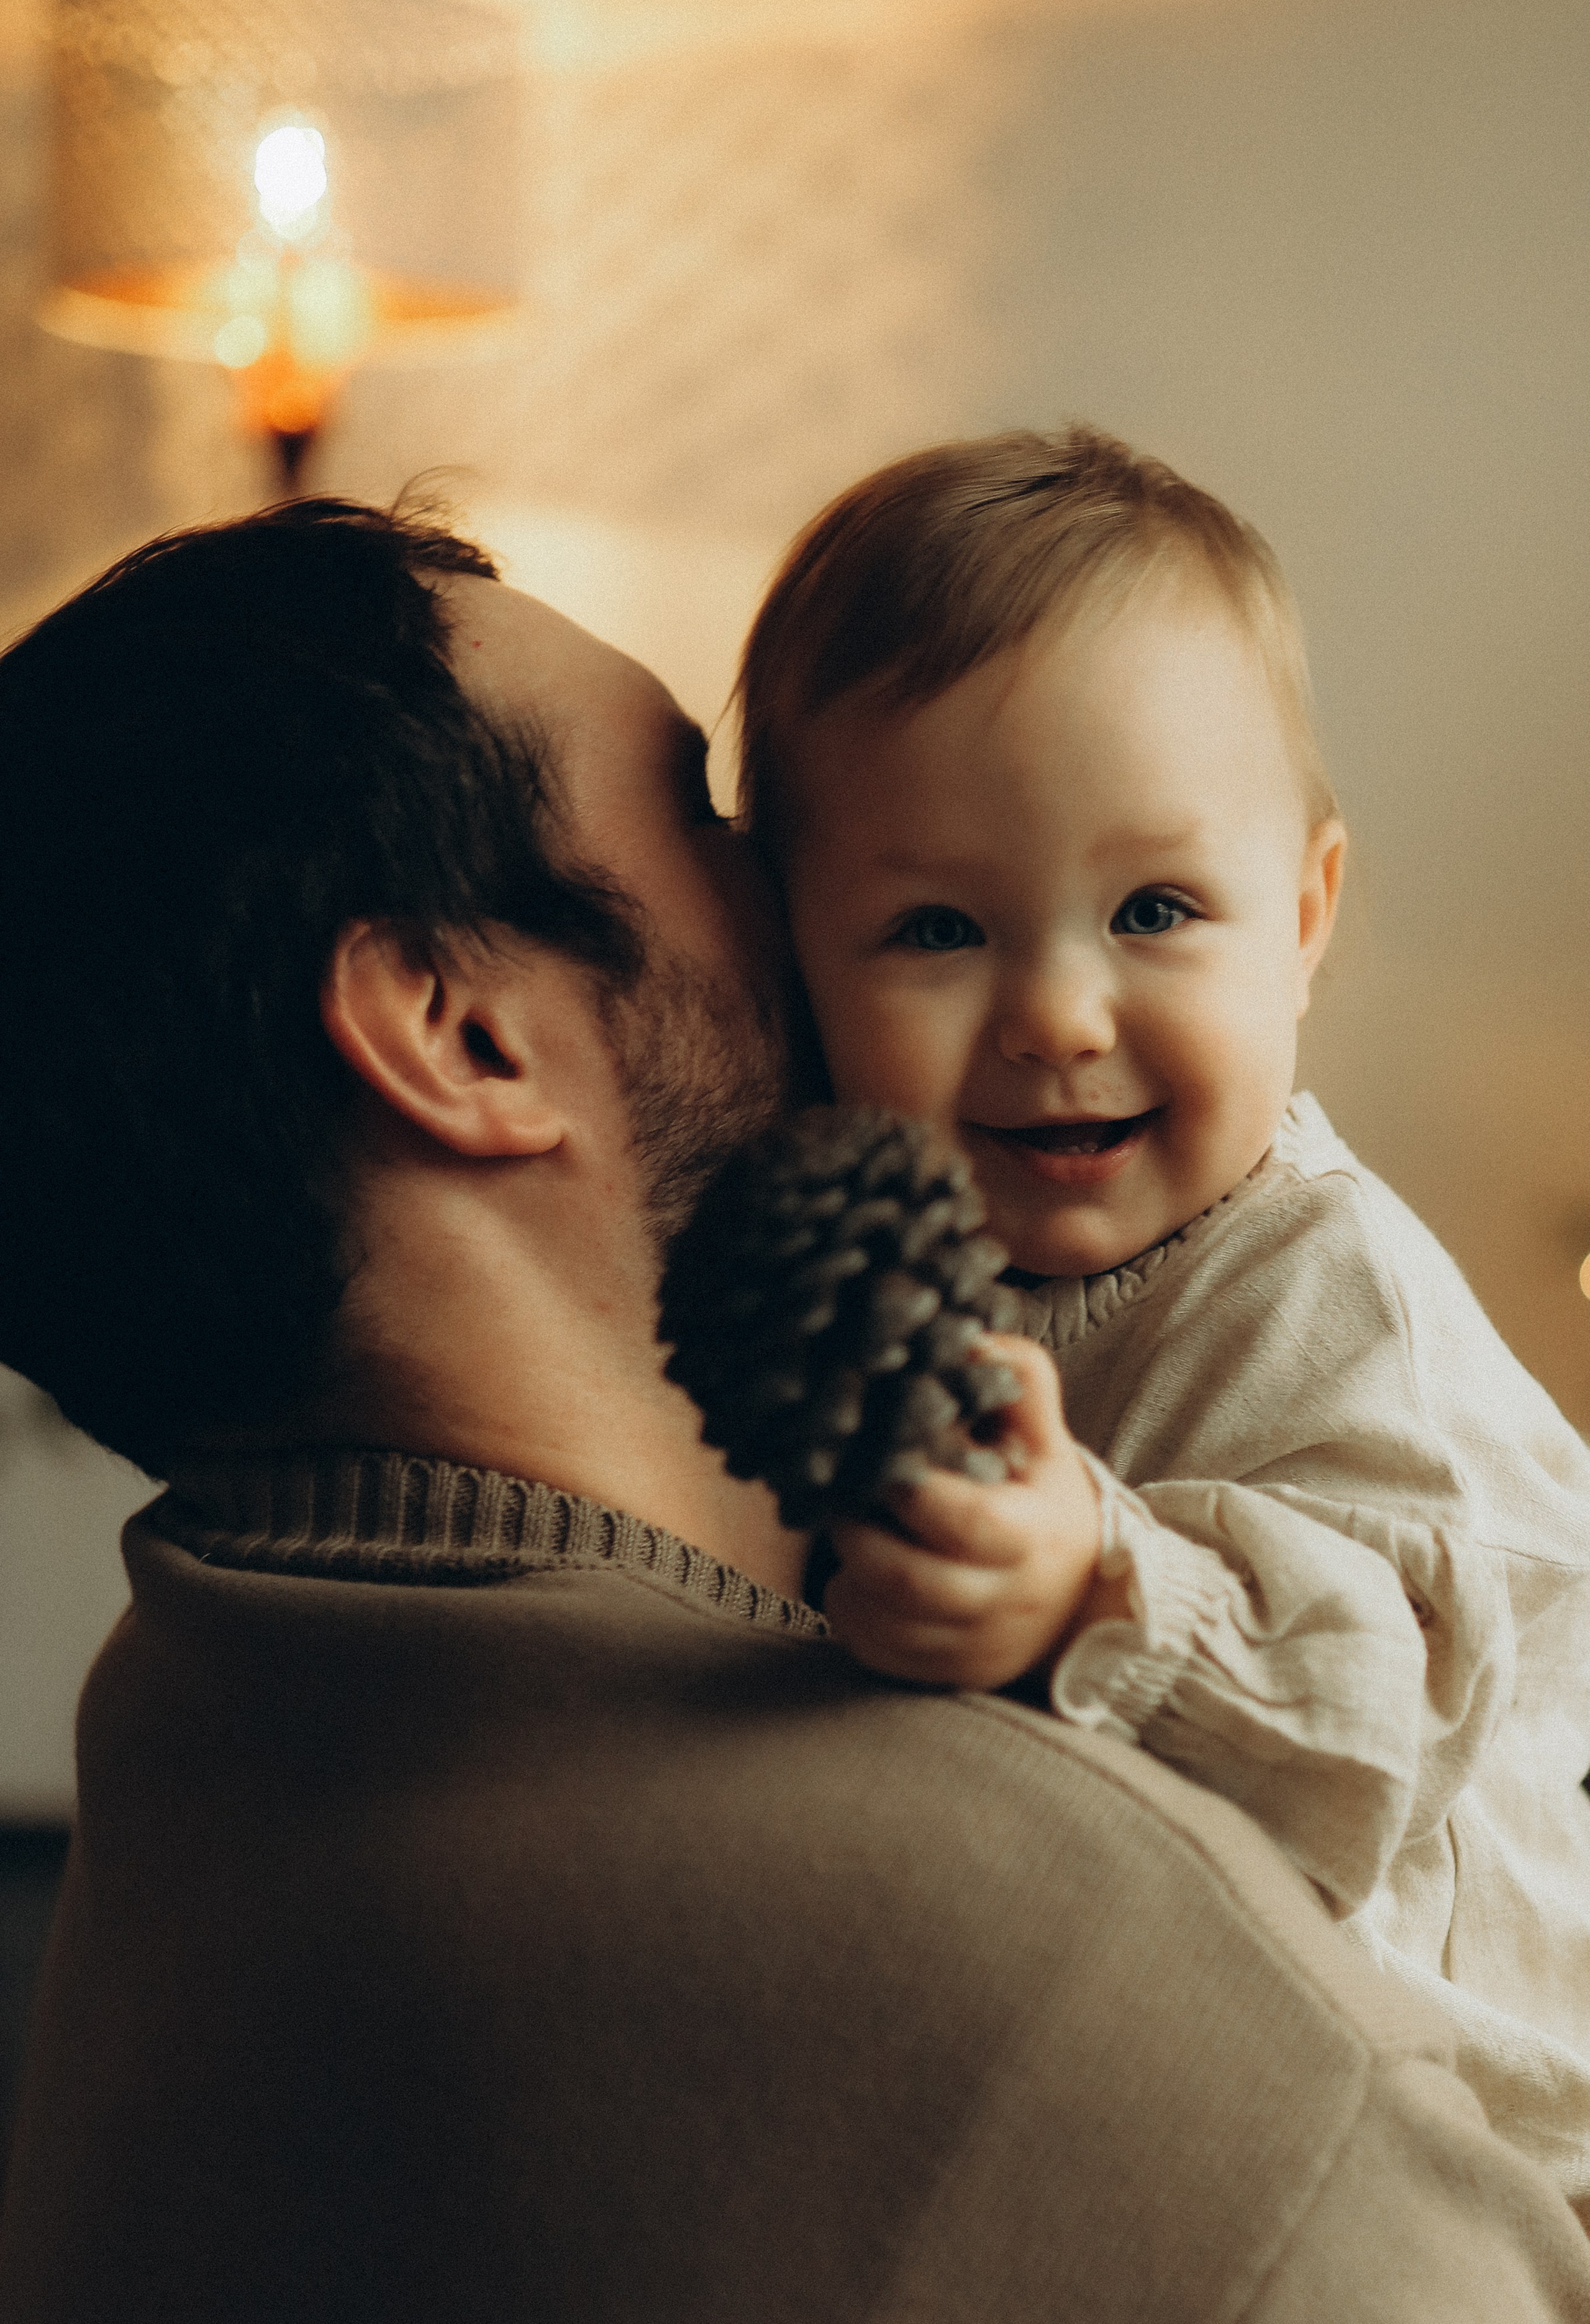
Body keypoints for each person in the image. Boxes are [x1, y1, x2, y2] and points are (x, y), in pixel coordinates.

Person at [1, 499, 1587, 2324]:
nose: (791, 879)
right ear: (462, 1031)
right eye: (700, 813)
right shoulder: (1094, 1969)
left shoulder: (196, 1724)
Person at [734, 423, 1590, 2218]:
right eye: (939, 929)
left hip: (1475, 2155)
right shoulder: (911, 1269)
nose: (1057, 1011)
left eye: (1154, 911)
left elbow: (1389, 1701)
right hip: (1154, 2076)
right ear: (791, 962)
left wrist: (1091, 1585)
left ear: (1303, 920)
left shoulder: (1329, 1293)